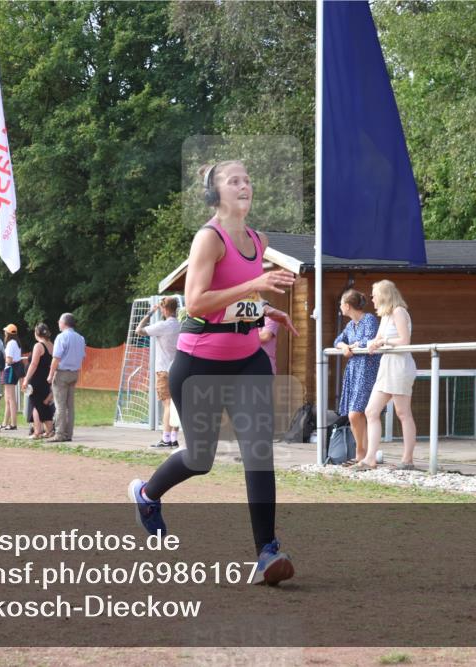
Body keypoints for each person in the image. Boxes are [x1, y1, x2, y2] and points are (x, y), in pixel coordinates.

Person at [128, 160, 299, 586]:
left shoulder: (258, 240)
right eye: (234, 180)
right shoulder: (208, 238)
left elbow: (235, 304)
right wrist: (253, 289)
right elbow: (198, 302)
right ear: (215, 193)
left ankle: (267, 551)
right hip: (200, 364)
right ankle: (147, 495)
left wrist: (262, 309)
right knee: (200, 458)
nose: (245, 185)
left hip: (247, 362)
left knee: (259, 452)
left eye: (248, 179)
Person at [352, 280, 418, 471]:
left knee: (403, 412)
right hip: (386, 365)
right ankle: (370, 458)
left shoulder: (399, 311)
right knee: (371, 411)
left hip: (399, 365)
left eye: (374, 294)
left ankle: (407, 459)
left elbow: (404, 340)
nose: (371, 298)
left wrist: (383, 342)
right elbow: (377, 339)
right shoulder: (386, 315)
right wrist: (365, 344)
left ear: (383, 294)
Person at [333, 288, 380, 465]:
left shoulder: (368, 319)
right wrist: (345, 346)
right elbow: (337, 341)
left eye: (341, 305)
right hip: (354, 369)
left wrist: (353, 346)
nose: (340, 307)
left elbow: (370, 338)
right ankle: (364, 455)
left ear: (347, 306)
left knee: (355, 413)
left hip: (367, 369)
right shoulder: (349, 325)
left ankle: (361, 452)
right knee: (357, 414)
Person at [136, 296, 181, 448]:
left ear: (165, 309)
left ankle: (166, 439)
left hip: (164, 369)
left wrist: (149, 313)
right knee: (175, 405)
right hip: (178, 368)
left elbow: (139, 330)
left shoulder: (163, 325)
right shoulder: (180, 325)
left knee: (167, 404)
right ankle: (174, 438)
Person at [46, 313, 85, 443]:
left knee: (60, 405)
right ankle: (69, 434)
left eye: (59, 321)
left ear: (64, 323)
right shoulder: (80, 338)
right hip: (74, 373)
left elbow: (56, 358)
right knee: (70, 405)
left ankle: (59, 434)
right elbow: (82, 356)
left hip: (62, 373)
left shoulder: (61, 337)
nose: (58, 323)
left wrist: (51, 375)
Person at [22, 323, 56, 439]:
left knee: (35, 404)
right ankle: (49, 430)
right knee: (42, 405)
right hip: (46, 379)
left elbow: (34, 364)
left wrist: (26, 379)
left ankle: (38, 432)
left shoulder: (38, 346)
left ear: (37, 333)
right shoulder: (51, 345)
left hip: (36, 380)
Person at [0, 323, 23, 431]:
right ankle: (5, 422)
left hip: (9, 369)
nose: (4, 333)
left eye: (5, 332)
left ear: (8, 333)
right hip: (13, 370)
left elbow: (9, 360)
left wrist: (3, 359)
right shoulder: (17, 343)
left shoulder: (10, 343)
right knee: (8, 398)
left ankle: (13, 423)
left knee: (10, 398)